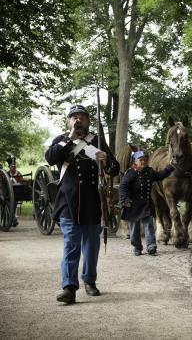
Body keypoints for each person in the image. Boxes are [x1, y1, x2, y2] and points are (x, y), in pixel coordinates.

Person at [45, 104, 119, 304]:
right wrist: (70, 138)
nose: (78, 120)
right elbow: (50, 158)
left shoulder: (96, 141)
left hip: (92, 202)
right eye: (74, 117)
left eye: (82, 117)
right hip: (68, 203)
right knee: (71, 244)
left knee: (92, 245)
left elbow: (114, 168)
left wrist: (106, 160)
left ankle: (89, 280)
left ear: (87, 121)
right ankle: (69, 287)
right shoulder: (61, 141)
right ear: (68, 121)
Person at [119, 150, 175, 256]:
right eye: (141, 160)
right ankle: (137, 247)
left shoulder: (149, 171)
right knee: (134, 229)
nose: (143, 161)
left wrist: (169, 167)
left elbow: (160, 175)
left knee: (148, 225)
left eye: (144, 159)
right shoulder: (130, 172)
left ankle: (151, 246)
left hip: (146, 204)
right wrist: (124, 200)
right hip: (132, 205)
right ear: (135, 161)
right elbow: (123, 186)